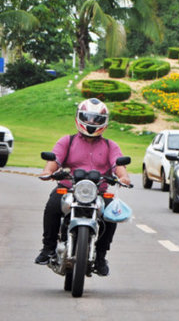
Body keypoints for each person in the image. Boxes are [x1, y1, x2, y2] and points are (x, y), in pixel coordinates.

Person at [35, 98, 131, 276]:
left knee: (111, 214)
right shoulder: (67, 141)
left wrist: (123, 177)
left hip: (98, 191)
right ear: (79, 117)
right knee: (53, 204)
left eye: (97, 119)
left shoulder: (111, 146)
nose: (92, 122)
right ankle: (48, 248)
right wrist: (48, 172)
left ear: (104, 121)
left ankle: (101, 256)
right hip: (70, 188)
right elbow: (53, 160)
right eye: (88, 117)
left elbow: (119, 165)